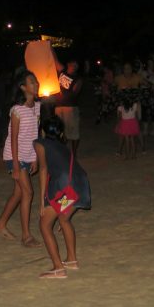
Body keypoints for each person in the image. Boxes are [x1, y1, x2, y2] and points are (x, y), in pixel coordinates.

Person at [33, 117, 91, 279]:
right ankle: (71, 260)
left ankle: (58, 268)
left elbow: (43, 170)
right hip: (80, 184)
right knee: (64, 219)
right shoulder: (63, 146)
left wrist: (43, 200)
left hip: (67, 189)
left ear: (43, 130)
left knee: (44, 224)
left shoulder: (40, 143)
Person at [0, 71, 42, 248]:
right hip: (15, 155)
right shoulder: (17, 110)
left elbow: (35, 134)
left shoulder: (37, 106)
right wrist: (14, 164)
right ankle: (26, 236)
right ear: (23, 87)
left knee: (19, 193)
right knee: (28, 192)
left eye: (36, 81)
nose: (36, 84)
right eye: (32, 82)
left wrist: (35, 157)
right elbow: (13, 138)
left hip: (28, 155)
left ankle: (0, 225)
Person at [55, 60, 83, 156]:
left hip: (70, 107)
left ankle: (73, 154)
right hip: (58, 106)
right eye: (73, 64)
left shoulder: (77, 78)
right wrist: (49, 46)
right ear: (68, 64)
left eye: (76, 65)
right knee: (61, 130)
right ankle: (63, 152)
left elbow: (75, 93)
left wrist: (65, 93)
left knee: (73, 131)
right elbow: (54, 59)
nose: (74, 66)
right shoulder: (62, 72)